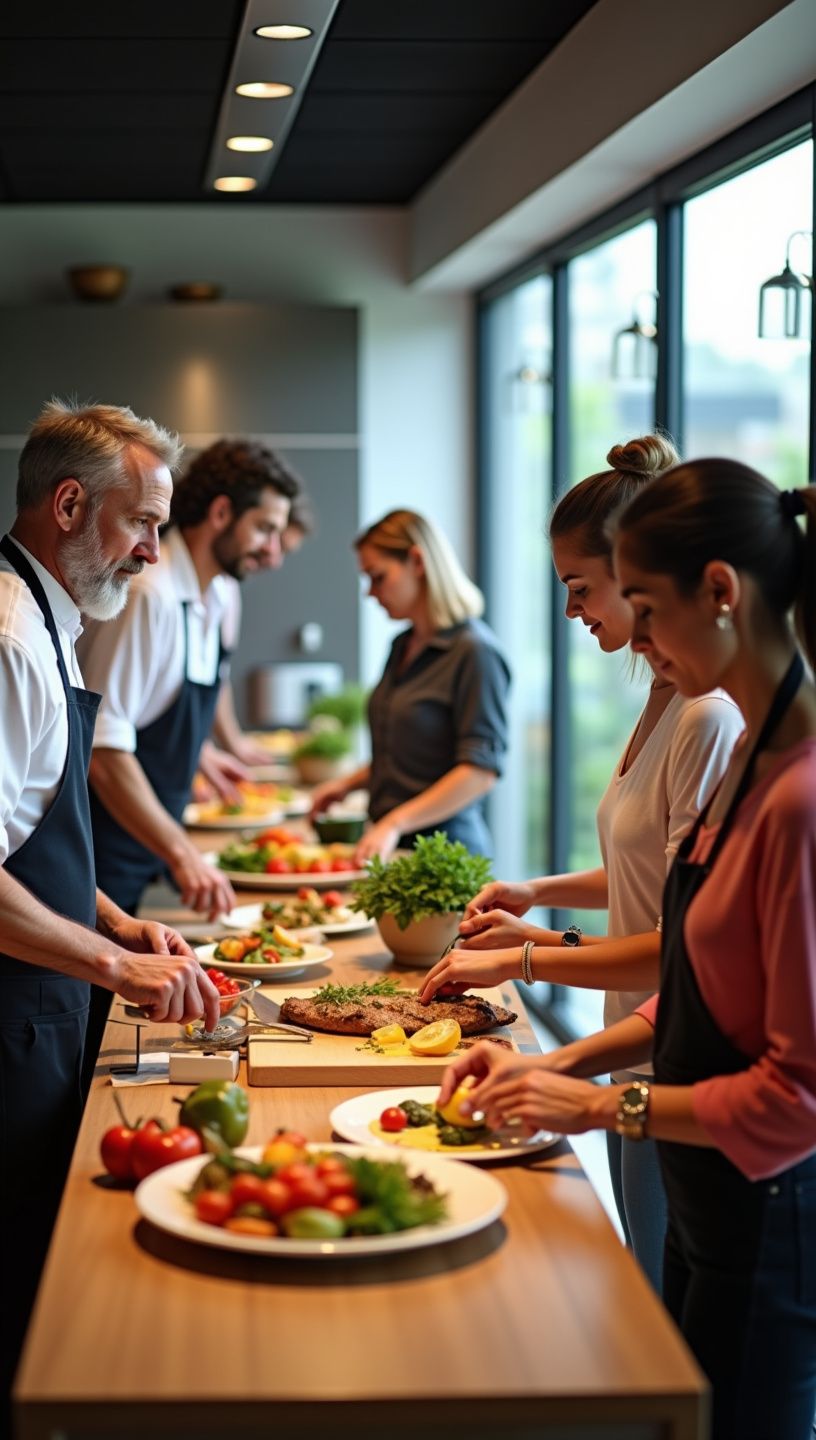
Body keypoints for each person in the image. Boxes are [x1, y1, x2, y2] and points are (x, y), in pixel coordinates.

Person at [437, 458, 816, 1440]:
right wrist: (554, 1064)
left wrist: (600, 1101)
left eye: (644, 607)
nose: (635, 639)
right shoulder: (753, 761)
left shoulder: (795, 792)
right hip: (704, 1194)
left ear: (721, 593)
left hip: (771, 1218)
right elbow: (691, 982)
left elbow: (794, 1100)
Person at [420, 437, 743, 1292]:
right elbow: (646, 871)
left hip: (669, 1057)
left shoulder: (710, 720)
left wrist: (526, 955)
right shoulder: (662, 701)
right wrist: (539, 899)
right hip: (636, 1038)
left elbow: (682, 938)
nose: (574, 612)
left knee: (668, 1316)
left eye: (582, 588)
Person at [0, 400, 218, 1406]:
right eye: (145, 524)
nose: (153, 552)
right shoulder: (7, 636)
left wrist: (115, 919)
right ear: (71, 503)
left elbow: (28, 836)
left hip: (40, 998)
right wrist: (117, 965)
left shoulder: (49, 623)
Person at [78, 437, 298, 917]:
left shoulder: (218, 595)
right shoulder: (148, 597)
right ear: (221, 513)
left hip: (147, 840)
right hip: (102, 852)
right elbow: (102, 747)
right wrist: (182, 851)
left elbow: (171, 701)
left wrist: (202, 752)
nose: (275, 554)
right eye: (265, 529)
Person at [311, 508, 511, 862]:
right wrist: (346, 785)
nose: (370, 593)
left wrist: (394, 823)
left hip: (446, 857)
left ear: (417, 561)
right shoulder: (402, 645)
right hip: (394, 850)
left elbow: (479, 772)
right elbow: (405, 755)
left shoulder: (475, 653)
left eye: (377, 577)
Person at [206, 482, 315, 772]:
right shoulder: (156, 592)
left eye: (283, 550)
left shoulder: (227, 589)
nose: (274, 558)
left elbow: (217, 674)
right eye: (268, 534)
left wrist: (234, 744)